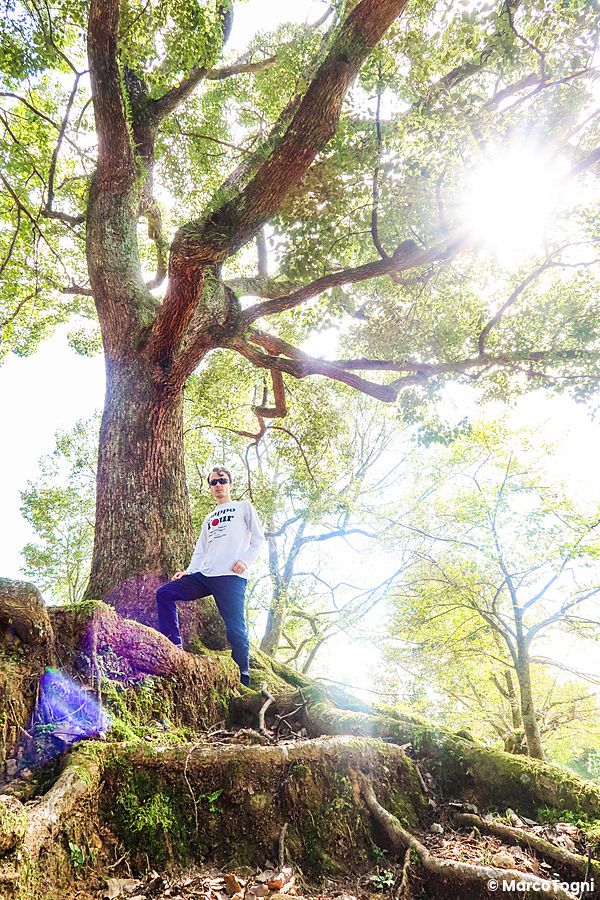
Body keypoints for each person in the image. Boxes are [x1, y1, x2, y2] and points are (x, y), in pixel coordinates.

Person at [156, 466, 264, 685]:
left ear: (230, 483)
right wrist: (189, 571)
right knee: (164, 593)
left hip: (230, 577)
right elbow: (201, 550)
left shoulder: (243, 507)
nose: (218, 486)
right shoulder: (210, 517)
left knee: (235, 627)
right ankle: (174, 646)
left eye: (222, 481)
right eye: (213, 483)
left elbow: (258, 539)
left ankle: (242, 678)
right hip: (204, 575)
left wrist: (245, 561)